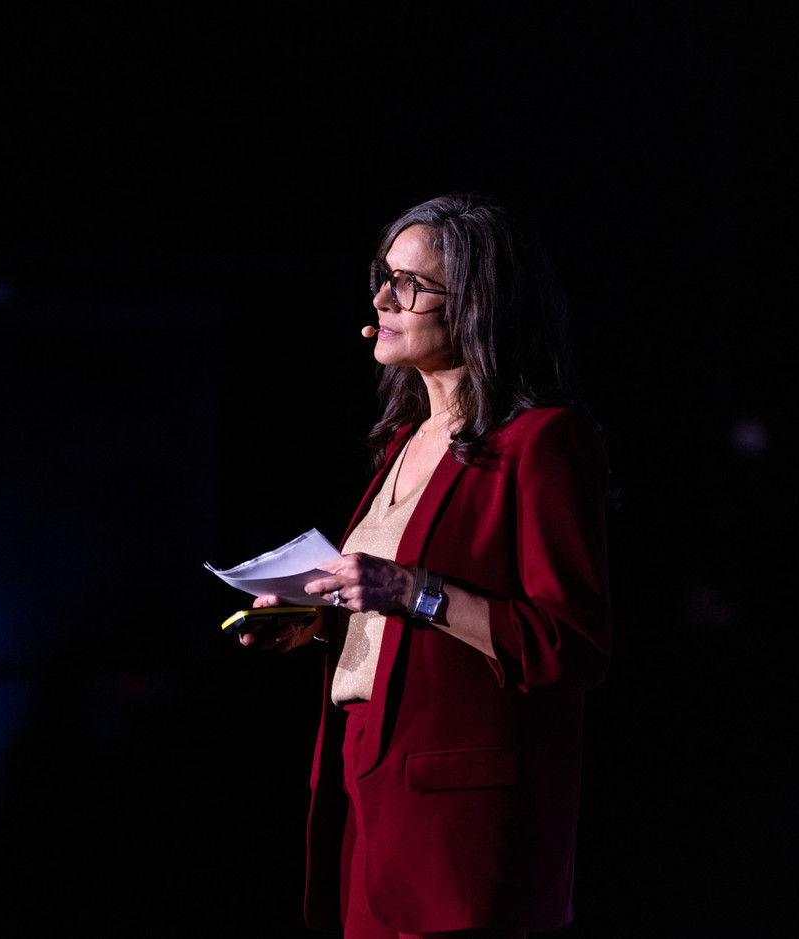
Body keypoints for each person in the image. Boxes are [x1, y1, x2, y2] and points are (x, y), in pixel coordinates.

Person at [241, 193, 611, 938]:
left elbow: (568, 643)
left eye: (409, 283)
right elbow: (400, 628)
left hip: (460, 832)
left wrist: (407, 588)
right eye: (381, 276)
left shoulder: (541, 443)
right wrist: (320, 623)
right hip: (367, 798)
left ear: (479, 304)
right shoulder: (404, 441)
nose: (382, 298)